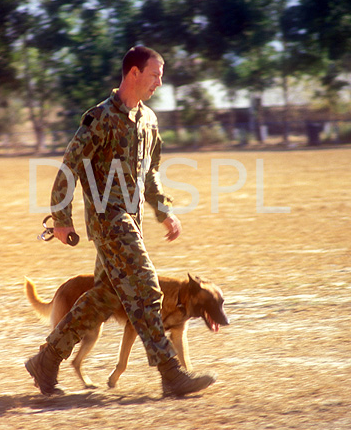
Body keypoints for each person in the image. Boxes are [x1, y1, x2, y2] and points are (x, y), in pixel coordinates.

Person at [25, 46, 216, 397]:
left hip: (133, 220)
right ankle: (171, 373)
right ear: (133, 73)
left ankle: (46, 361)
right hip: (107, 219)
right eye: (155, 74)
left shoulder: (149, 121)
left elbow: (150, 173)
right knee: (147, 284)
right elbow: (70, 164)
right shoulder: (99, 118)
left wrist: (164, 210)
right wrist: (62, 218)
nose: (160, 82)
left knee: (103, 299)